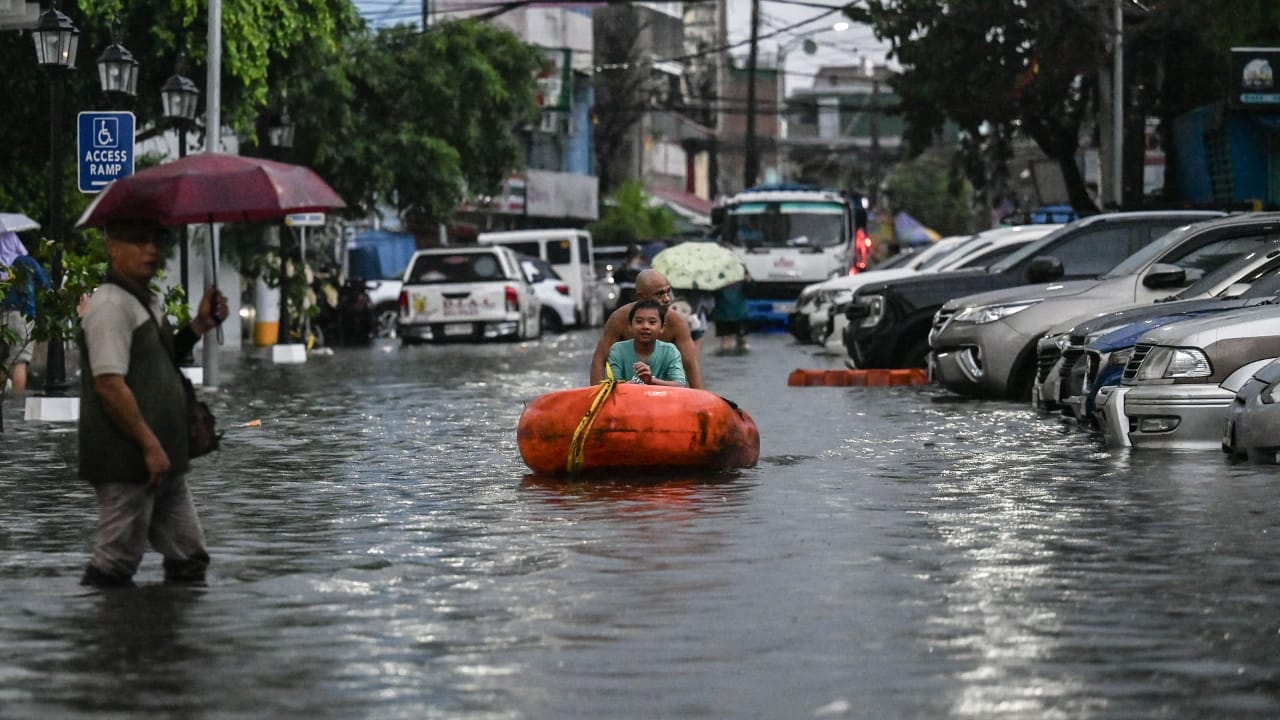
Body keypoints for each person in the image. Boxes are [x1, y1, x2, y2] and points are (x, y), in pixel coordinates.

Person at [78, 221, 228, 588]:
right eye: (139, 239)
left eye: (158, 240)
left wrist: (200, 325)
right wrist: (148, 445)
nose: (152, 250)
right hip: (129, 460)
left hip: (162, 459)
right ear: (113, 246)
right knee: (114, 564)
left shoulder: (145, 300)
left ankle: (163, 635)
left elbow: (159, 361)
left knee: (189, 556)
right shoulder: (111, 306)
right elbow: (110, 385)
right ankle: (104, 638)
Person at [591, 269, 703, 389]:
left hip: (666, 392)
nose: (667, 299)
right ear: (641, 296)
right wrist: (597, 400)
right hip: (627, 392)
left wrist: (701, 403)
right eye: (659, 294)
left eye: (668, 292)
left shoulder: (677, 322)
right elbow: (599, 360)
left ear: (662, 326)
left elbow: (691, 364)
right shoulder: (619, 319)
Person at [0, 232, 51, 396]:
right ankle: (16, 405)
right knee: (20, 361)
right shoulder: (25, 262)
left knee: (3, 362)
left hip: (2, 314)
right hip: (22, 314)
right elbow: (46, 283)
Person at [607, 299, 688, 387]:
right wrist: (638, 385)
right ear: (630, 326)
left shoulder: (670, 351)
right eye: (639, 321)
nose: (645, 326)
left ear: (662, 327)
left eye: (652, 322)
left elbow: (680, 385)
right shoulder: (618, 350)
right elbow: (613, 386)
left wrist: (651, 381)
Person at [713, 279, 751, 353]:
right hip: (726, 315)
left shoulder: (742, 282)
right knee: (729, 341)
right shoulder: (718, 281)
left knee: (738, 340)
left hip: (735, 315)